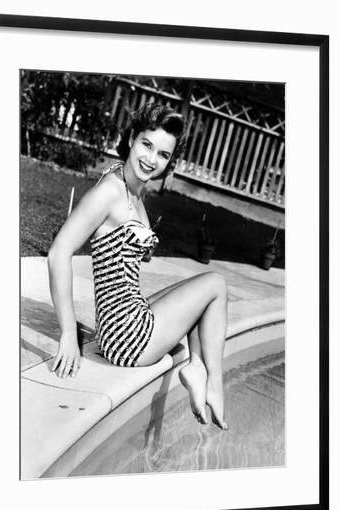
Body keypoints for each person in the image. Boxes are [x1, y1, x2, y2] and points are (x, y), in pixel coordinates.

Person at [48, 103, 228, 430]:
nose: (151, 159)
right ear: (132, 137)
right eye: (146, 145)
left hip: (125, 321)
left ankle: (197, 365)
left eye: (162, 154)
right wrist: (68, 333)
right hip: (128, 338)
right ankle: (213, 382)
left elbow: (117, 245)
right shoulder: (110, 192)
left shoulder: (130, 187)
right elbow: (59, 252)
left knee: (200, 297)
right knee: (215, 284)